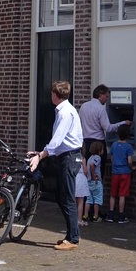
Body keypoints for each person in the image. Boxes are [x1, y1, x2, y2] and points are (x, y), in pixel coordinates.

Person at [29, 79, 83, 250]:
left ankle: (73, 239)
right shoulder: (63, 110)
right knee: (61, 196)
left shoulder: (66, 112)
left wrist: (40, 156)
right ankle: (70, 234)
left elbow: (57, 139)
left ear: (55, 94)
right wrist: (41, 153)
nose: (50, 95)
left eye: (51, 92)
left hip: (69, 158)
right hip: (66, 157)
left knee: (67, 197)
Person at [79, 84, 121, 160]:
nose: (107, 99)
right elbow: (108, 128)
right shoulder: (100, 108)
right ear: (100, 95)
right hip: (98, 144)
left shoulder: (83, 106)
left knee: (87, 168)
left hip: (86, 143)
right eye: (106, 96)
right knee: (98, 169)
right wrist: (123, 123)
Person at [107, 122, 134, 224]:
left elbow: (112, 158)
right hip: (125, 172)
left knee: (113, 194)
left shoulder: (114, 145)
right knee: (122, 194)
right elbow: (129, 161)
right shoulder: (128, 147)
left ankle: (110, 214)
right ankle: (121, 216)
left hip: (115, 172)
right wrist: (131, 168)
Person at [84, 139, 104, 223]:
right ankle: (95, 216)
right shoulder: (97, 157)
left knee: (88, 199)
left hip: (89, 182)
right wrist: (94, 176)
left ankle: (85, 215)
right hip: (96, 182)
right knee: (97, 199)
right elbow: (92, 165)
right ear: (99, 150)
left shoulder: (89, 158)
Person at [75, 147, 90, 226]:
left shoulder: (73, 158)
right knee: (80, 201)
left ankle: (73, 220)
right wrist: (87, 176)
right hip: (81, 178)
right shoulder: (82, 158)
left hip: (73, 178)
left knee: (73, 201)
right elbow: (85, 170)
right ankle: (79, 220)